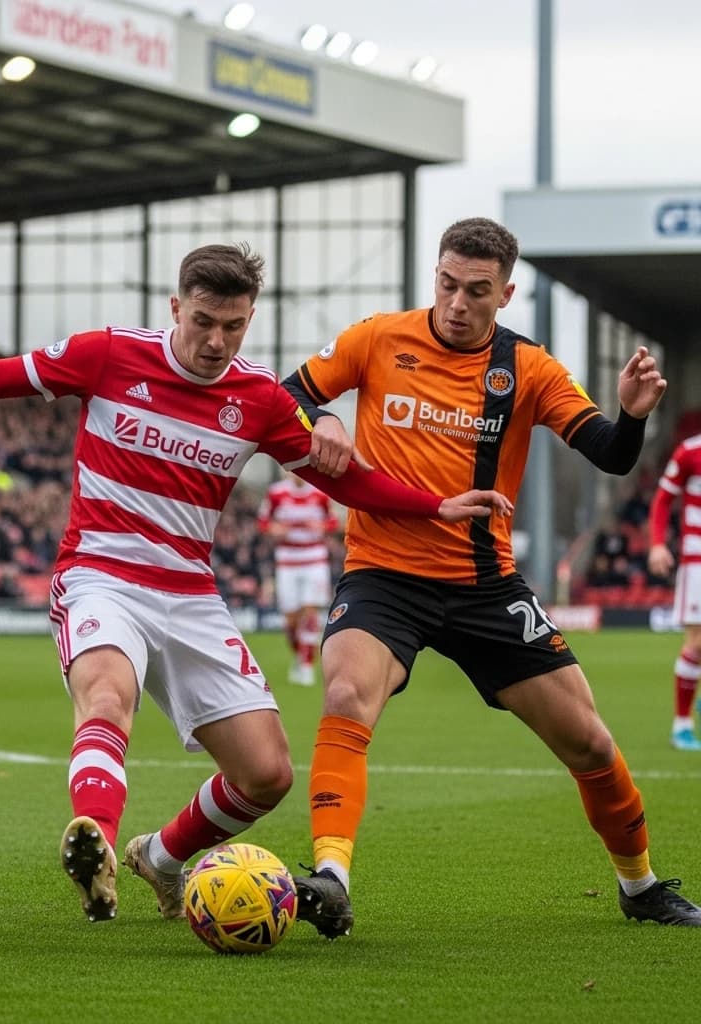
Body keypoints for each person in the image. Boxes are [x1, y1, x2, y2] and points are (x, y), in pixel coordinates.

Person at [0, 242, 512, 924]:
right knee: (107, 698)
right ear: (176, 308)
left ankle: (160, 857)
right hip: (100, 575)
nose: (216, 341)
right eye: (203, 321)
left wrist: (436, 505)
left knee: (267, 774)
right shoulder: (109, 355)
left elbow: (346, 480)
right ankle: (97, 841)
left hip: (190, 594)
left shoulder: (260, 398)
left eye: (233, 326)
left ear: (250, 319)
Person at [280, 217, 701, 934]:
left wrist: (631, 417)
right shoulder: (377, 338)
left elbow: (610, 453)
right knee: (346, 693)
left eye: (476, 291)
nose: (456, 303)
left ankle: (640, 886)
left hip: (486, 586)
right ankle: (331, 877)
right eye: (447, 284)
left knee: (590, 742)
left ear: (504, 294)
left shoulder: (528, 368)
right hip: (383, 574)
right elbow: (287, 392)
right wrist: (324, 418)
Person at [257, 471, 339, 685]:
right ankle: (299, 654)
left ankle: (307, 665)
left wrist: (321, 527)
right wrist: (275, 529)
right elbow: (263, 523)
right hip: (287, 559)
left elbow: (333, 522)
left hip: (314, 558)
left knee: (310, 611)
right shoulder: (276, 493)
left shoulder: (320, 493)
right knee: (291, 620)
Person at [647, 431, 701, 751]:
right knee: (697, 642)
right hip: (697, 561)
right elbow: (663, 499)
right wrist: (657, 545)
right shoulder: (689, 452)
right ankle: (681, 727)